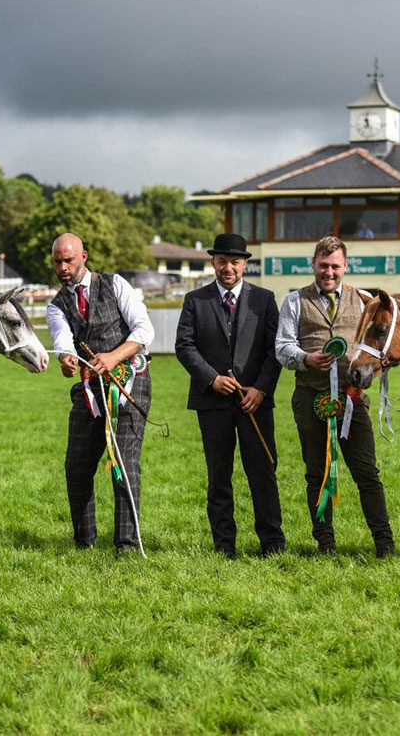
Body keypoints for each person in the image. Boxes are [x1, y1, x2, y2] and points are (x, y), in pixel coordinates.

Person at [275, 236, 395, 558]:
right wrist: (306, 359)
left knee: (367, 474)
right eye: (323, 265)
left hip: (353, 400)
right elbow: (282, 348)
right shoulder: (294, 301)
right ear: (313, 264)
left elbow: (380, 350)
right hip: (310, 397)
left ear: (346, 267)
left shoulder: (365, 301)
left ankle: (385, 545)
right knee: (317, 473)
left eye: (335, 266)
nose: (329, 272)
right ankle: (325, 544)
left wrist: (370, 375)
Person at [175, 233, 284, 559]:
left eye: (234, 262)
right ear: (213, 262)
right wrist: (211, 379)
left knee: (262, 473)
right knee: (219, 476)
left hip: (255, 403)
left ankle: (273, 545)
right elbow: (184, 346)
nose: (228, 267)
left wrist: (261, 390)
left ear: (245, 264)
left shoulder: (264, 300)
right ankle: (224, 546)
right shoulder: (195, 300)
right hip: (212, 404)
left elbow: (273, 349)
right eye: (221, 261)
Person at [46, 233, 154, 554]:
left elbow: (144, 330)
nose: (63, 267)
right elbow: (62, 340)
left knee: (123, 462)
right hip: (89, 388)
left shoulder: (115, 284)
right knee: (76, 466)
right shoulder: (56, 307)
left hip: (131, 382)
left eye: (68, 260)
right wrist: (65, 359)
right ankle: (84, 542)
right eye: (57, 261)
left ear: (84, 256)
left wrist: (113, 356)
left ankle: (126, 545)